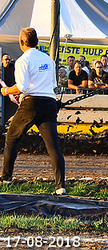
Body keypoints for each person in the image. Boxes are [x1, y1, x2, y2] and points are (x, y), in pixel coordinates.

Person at [1, 27, 66, 195]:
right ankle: (60, 187)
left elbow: (22, 86)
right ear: (36, 42)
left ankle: (6, 179)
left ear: (22, 42)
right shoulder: (48, 60)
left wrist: (7, 91)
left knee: (11, 138)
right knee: (53, 147)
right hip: (49, 103)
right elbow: (52, 85)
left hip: (31, 104)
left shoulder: (23, 60)